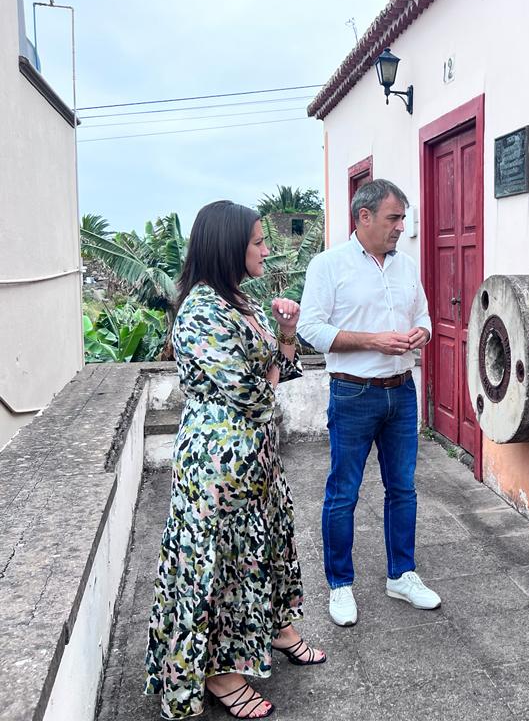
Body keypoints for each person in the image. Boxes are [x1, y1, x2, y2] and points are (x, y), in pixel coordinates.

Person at [145, 201, 325, 720]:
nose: (266, 250)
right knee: (222, 567)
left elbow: (280, 372)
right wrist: (268, 372)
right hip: (217, 469)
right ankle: (221, 674)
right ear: (229, 248)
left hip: (256, 462)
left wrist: (285, 331)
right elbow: (253, 393)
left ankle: (278, 629)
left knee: (263, 550)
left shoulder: (239, 301)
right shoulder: (201, 310)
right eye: (257, 242)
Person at [297, 178, 440, 628]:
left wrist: (424, 332)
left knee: (404, 488)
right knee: (344, 493)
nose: (401, 226)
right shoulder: (328, 265)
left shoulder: (406, 266)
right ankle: (340, 584)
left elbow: (424, 316)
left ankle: (402, 574)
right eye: (393, 218)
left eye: (402, 218)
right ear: (363, 217)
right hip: (353, 391)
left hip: (402, 389)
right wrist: (371, 340)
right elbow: (311, 329)